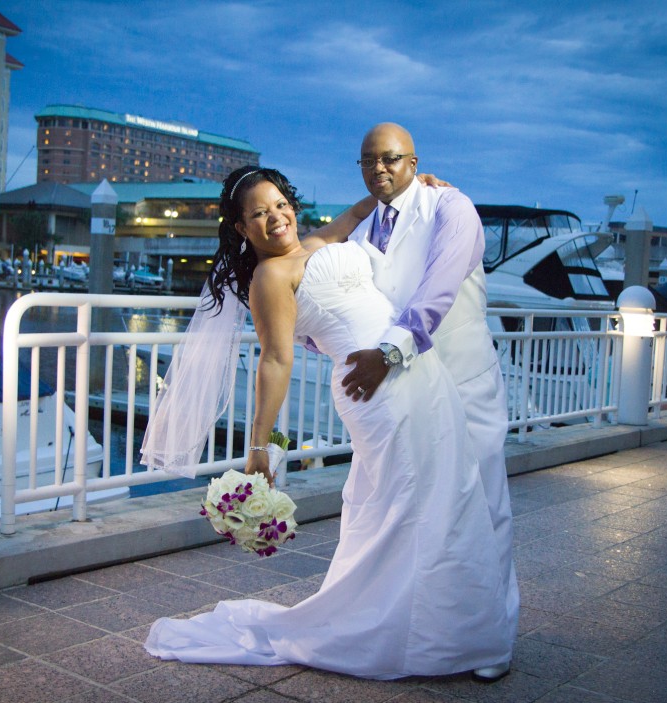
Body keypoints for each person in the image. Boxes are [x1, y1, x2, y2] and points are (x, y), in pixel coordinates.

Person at [141, 166, 511, 680]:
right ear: (241, 229)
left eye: (279, 205)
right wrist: (261, 450)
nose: (275, 219)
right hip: (374, 391)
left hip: (419, 373)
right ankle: (407, 633)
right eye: (258, 215)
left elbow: (364, 209)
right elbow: (274, 361)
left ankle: (452, 633)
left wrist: (417, 183)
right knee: (407, 504)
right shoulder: (269, 277)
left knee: (451, 496)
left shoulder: (315, 242)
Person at [319, 122, 518, 682]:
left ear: (413, 159)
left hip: (461, 378)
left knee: (483, 504)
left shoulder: (452, 208)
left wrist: (389, 351)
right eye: (368, 161)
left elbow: (440, 287)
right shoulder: (364, 232)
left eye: (390, 158)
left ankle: (494, 639)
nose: (379, 168)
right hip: (406, 393)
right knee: (420, 511)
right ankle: (435, 633)